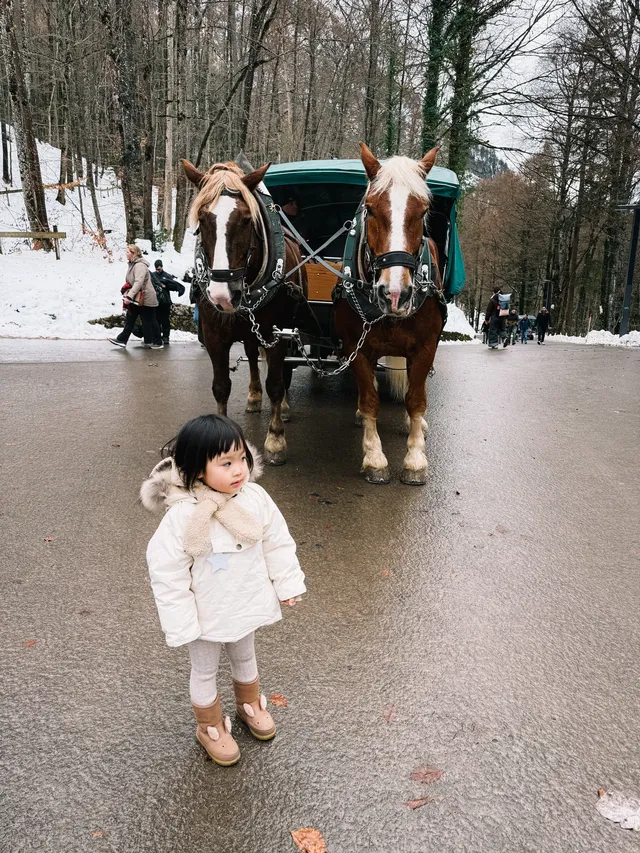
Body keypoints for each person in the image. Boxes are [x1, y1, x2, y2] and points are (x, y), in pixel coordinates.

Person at [141, 414, 306, 767]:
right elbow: (167, 573)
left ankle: (250, 705)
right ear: (197, 469)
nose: (239, 470)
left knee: (245, 656)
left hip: (244, 602)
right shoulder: (183, 517)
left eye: (242, 459)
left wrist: (287, 583)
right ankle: (210, 726)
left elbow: (276, 542)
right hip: (205, 612)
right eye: (226, 463)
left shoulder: (255, 499)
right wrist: (181, 623)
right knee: (204, 669)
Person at [109, 245, 163, 349]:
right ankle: (122, 340)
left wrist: (129, 297)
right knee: (130, 318)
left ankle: (158, 341)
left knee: (150, 320)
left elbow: (139, 282)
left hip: (145, 298)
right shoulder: (132, 265)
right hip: (137, 298)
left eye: (128, 252)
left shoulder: (139, 265)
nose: (126, 254)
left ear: (134, 254)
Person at [151, 260, 186, 345]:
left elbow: (173, 286)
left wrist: (166, 285)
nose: (158, 269)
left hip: (166, 302)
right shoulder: (153, 275)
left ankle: (166, 337)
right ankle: (157, 336)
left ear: (162, 266)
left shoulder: (167, 276)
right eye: (157, 268)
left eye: (159, 268)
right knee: (157, 320)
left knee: (165, 320)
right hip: (156, 301)